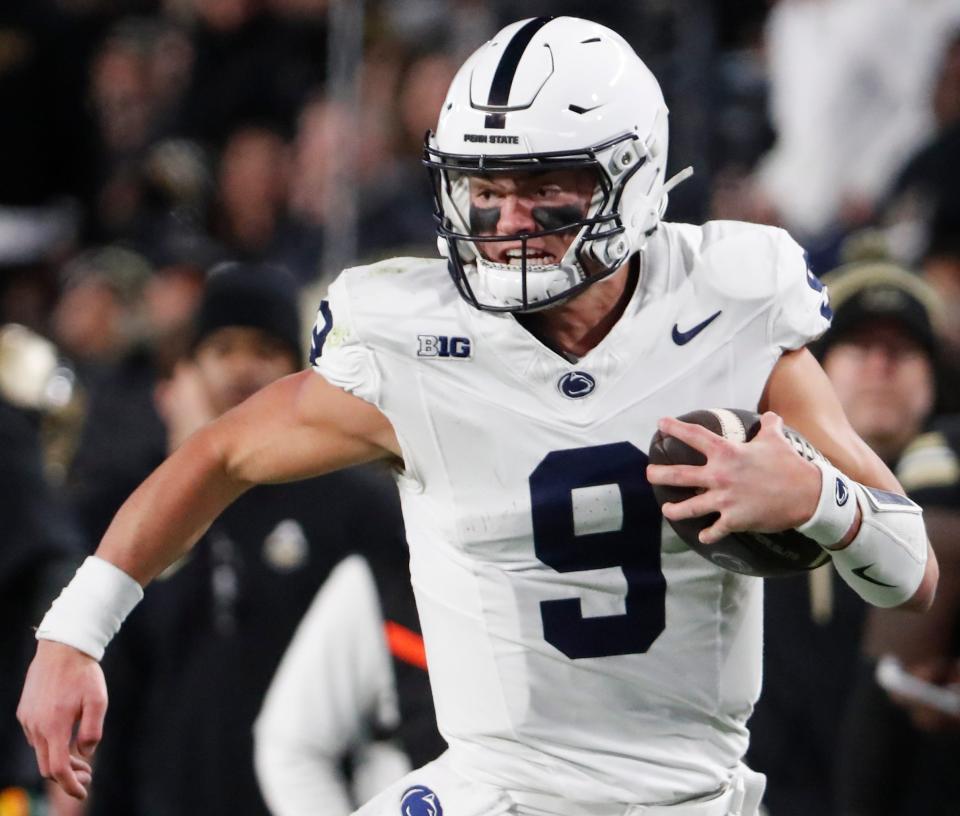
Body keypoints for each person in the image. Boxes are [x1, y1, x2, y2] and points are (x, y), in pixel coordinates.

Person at [18, 17, 938, 816]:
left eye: (546, 187)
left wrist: (817, 497)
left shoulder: (732, 306)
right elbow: (223, 453)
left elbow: (913, 572)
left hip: (684, 795)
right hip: (497, 786)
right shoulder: (417, 342)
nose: (508, 220)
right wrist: (74, 631)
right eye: (485, 189)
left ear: (637, 176)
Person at [83, 261, 408, 816]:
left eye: (262, 349)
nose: (241, 368)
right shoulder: (149, 504)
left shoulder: (356, 505)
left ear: (297, 367)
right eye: (223, 349)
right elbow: (116, 679)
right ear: (192, 365)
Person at [747, 260, 943, 815]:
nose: (882, 365)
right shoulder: (747, 482)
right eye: (860, 346)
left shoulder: (950, 497)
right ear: (816, 371)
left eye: (902, 350)